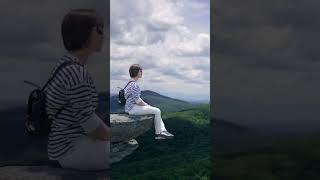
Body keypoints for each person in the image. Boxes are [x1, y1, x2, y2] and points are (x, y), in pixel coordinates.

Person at [44, 9, 110, 170]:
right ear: (84, 34)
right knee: (131, 148)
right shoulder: (76, 73)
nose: (104, 35)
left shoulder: (64, 65)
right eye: (99, 30)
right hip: (72, 148)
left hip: (64, 145)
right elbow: (91, 125)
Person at [124, 64, 174, 140]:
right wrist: (146, 105)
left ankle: (163, 130)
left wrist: (146, 105)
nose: (142, 73)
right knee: (157, 110)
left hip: (129, 107)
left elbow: (132, 98)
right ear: (137, 72)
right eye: (141, 71)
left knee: (154, 110)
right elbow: (137, 100)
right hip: (132, 108)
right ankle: (159, 133)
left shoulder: (128, 84)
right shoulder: (134, 85)